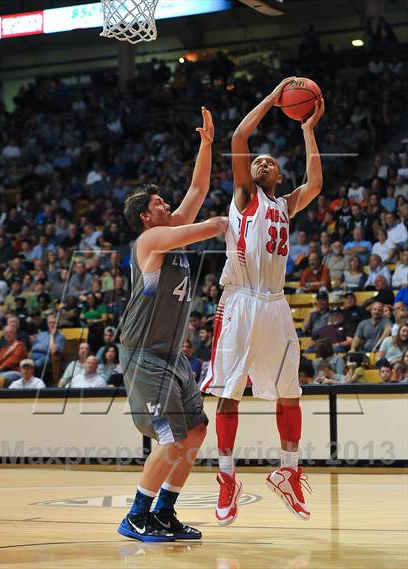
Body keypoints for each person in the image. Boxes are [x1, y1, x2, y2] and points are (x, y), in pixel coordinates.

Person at [201, 78, 324, 523]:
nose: (263, 160)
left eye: (271, 161)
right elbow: (238, 138)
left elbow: (315, 182)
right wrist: (273, 99)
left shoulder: (285, 205)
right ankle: (227, 477)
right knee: (229, 394)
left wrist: (308, 130)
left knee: (290, 393)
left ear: (277, 176)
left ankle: (288, 473)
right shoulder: (244, 195)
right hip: (240, 301)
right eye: (260, 160)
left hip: (275, 304)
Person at [118, 108, 228, 542]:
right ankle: (136, 515)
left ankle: (163, 512)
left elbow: (199, 187)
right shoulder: (150, 240)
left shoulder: (171, 228)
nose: (167, 204)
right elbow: (212, 225)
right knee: (169, 437)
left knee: (197, 431)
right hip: (144, 355)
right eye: (159, 203)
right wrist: (234, 220)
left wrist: (206, 144)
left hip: (171, 354)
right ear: (146, 216)